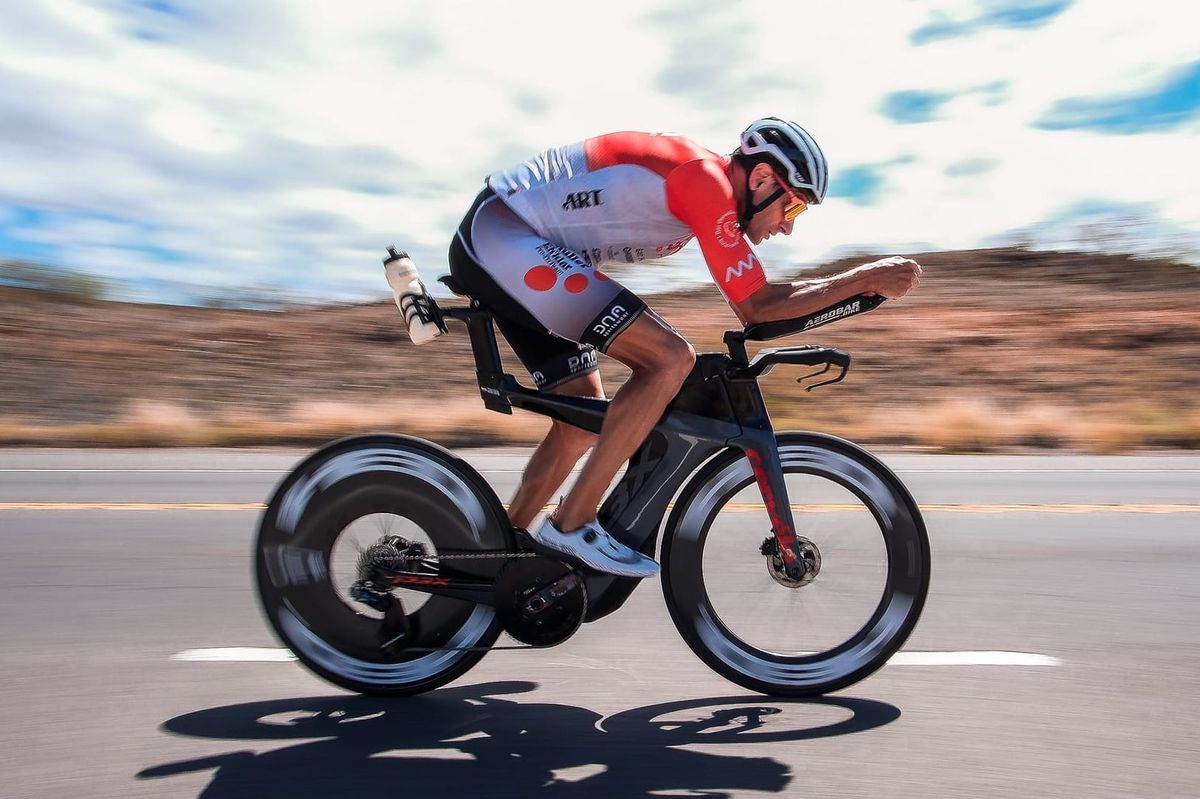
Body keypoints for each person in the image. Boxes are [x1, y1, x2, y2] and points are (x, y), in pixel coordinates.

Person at [447, 117, 921, 578]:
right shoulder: (705, 180)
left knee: (581, 417)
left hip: (510, 242)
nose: (788, 227)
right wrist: (863, 278)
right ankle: (573, 523)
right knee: (669, 359)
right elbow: (757, 307)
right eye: (792, 208)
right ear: (760, 178)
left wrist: (857, 293)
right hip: (502, 235)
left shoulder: (703, 187)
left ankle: (494, 565)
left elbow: (765, 306)